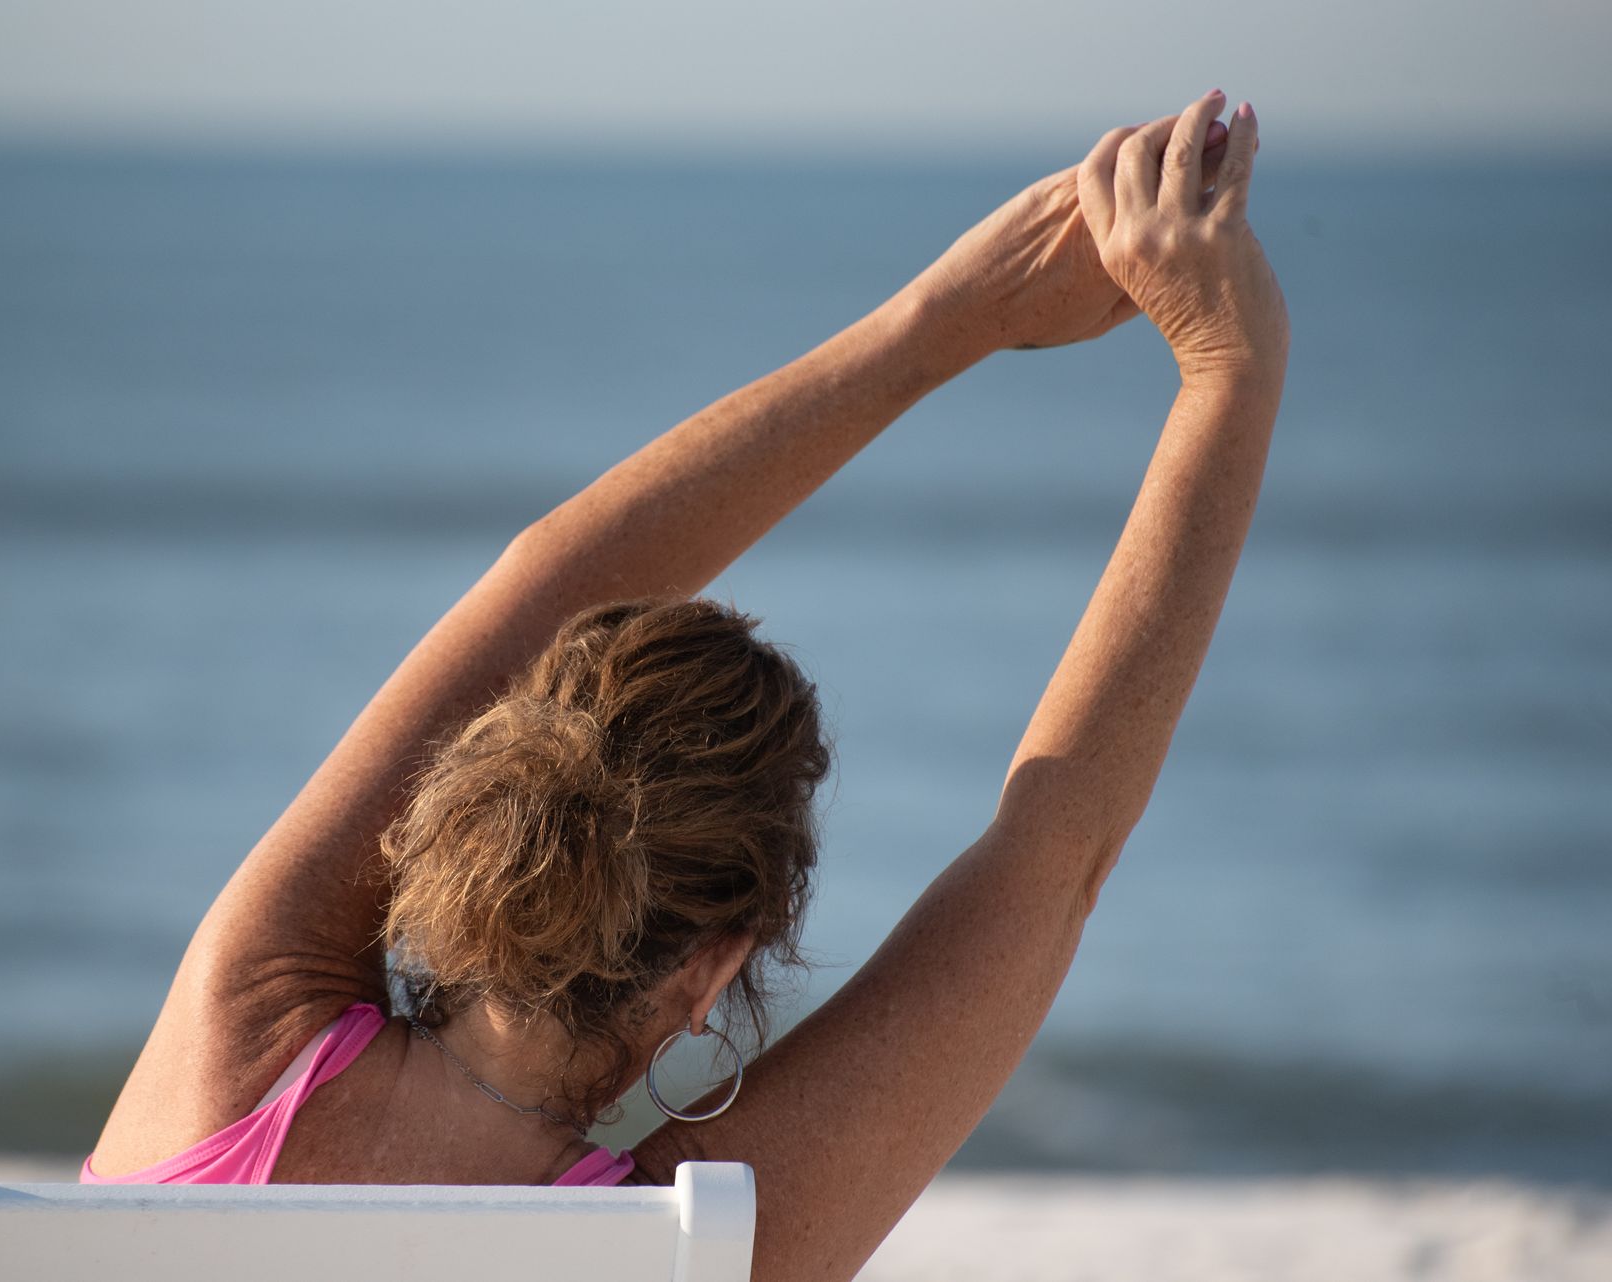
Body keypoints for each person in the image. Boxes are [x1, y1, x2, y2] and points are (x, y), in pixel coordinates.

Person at [85, 90, 1289, 1282]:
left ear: (463, 807)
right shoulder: (692, 1247)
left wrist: (940, 324)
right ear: (710, 973)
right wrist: (1226, 366)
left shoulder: (241, 1042)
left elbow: (549, 578)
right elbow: (1054, 858)